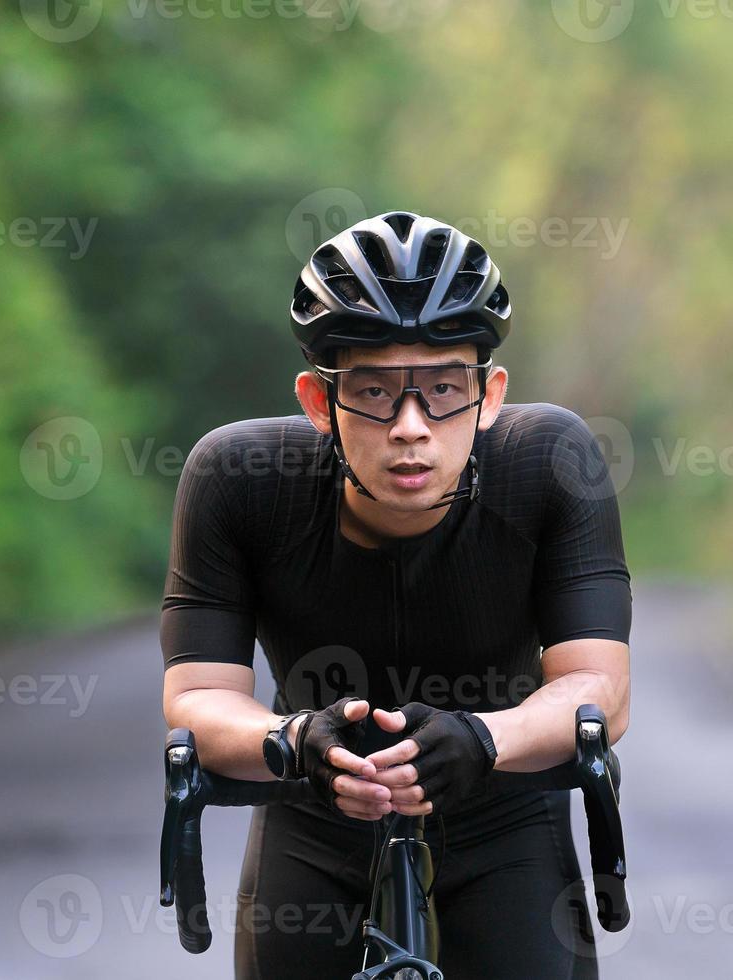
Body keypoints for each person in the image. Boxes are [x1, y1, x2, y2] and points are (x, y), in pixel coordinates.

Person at [160, 210, 632, 979]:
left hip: (501, 807)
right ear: (319, 403)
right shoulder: (236, 480)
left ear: (488, 395)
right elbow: (196, 698)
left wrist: (485, 740)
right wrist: (291, 742)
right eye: (374, 392)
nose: (410, 427)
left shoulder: (550, 460)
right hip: (314, 815)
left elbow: (598, 693)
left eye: (444, 388)